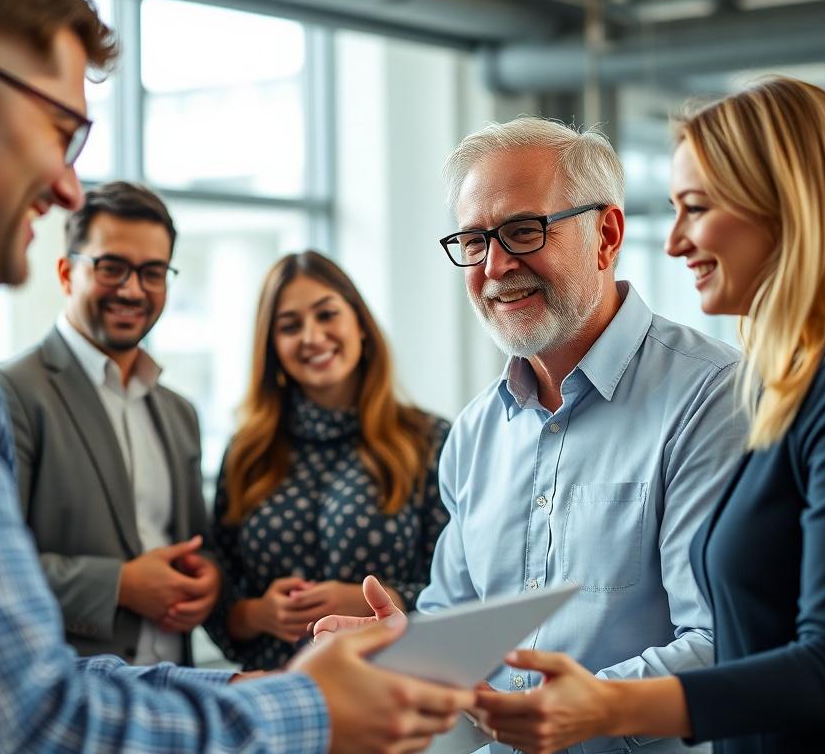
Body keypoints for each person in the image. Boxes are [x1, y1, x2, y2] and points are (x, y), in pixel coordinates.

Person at [0, 0, 474, 751]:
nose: (68, 183)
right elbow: (18, 726)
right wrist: (309, 710)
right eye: (61, 130)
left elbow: (27, 679)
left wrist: (270, 690)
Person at [315, 117, 749, 753]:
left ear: (606, 234)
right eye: (473, 240)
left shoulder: (711, 398)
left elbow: (725, 643)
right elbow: (458, 628)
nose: (496, 266)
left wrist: (583, 710)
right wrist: (400, 650)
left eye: (523, 231)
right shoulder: (474, 434)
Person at [461, 77, 825, 754]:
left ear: (787, 208)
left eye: (696, 208)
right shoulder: (794, 383)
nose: (674, 244)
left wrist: (602, 706)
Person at [0, 181, 219, 666]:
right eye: (111, 267)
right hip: (71, 704)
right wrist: (121, 586)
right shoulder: (9, 392)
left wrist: (209, 580)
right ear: (65, 273)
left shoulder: (179, 412)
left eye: (152, 272)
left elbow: (199, 545)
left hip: (177, 697)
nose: (133, 289)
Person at [204, 251, 451, 671]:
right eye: (289, 326)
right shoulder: (247, 451)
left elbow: (464, 593)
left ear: (361, 326)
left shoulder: (429, 442)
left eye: (326, 315)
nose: (311, 337)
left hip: (390, 696)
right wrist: (256, 614)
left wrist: (374, 599)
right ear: (273, 348)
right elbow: (220, 596)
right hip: (270, 701)